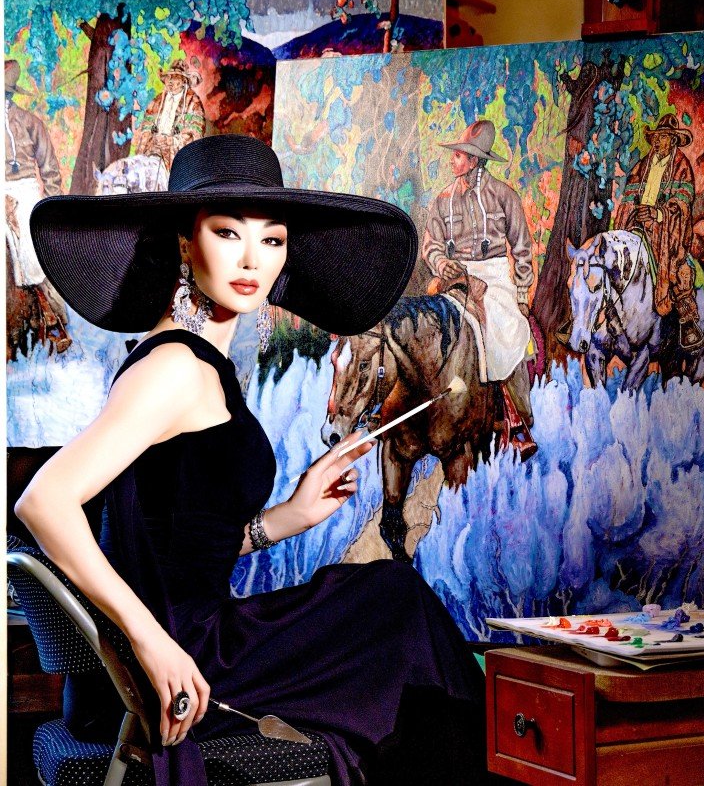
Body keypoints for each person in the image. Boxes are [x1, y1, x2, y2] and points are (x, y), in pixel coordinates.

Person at [18, 134, 490, 786]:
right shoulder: (174, 368)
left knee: (390, 605)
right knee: (397, 607)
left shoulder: (194, 364)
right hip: (176, 661)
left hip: (197, 639)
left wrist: (289, 517)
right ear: (185, 242)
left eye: (272, 239)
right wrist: (153, 646)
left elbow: (175, 544)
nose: (252, 258)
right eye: (227, 232)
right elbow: (43, 501)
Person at [423, 120, 535, 441]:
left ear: (474, 160)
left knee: (505, 328)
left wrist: (522, 293)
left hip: (494, 274)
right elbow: (431, 244)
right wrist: (441, 262)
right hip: (455, 274)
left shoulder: (504, 195)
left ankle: (518, 417)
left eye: (459, 155)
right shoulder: (443, 200)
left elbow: (522, 248)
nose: (453, 160)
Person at [614, 113, 702, 349]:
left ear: (672, 140)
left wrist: (657, 213)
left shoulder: (682, 167)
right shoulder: (642, 165)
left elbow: (683, 202)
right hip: (636, 224)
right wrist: (633, 212)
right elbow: (629, 195)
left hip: (667, 231)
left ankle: (688, 321)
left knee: (680, 270)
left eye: (663, 137)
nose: (658, 141)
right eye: (656, 137)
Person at [4, 58, 71, 353]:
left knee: (33, 251)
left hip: (26, 188)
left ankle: (55, 320)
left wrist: (49, 209)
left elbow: (50, 169)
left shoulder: (30, 122)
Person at [134, 59, 206, 171]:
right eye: (169, 78)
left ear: (183, 81)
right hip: (153, 148)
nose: (171, 81)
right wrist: (151, 137)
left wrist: (173, 141)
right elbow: (146, 124)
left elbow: (196, 130)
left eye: (176, 78)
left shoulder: (192, 101)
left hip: (176, 151)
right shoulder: (158, 100)